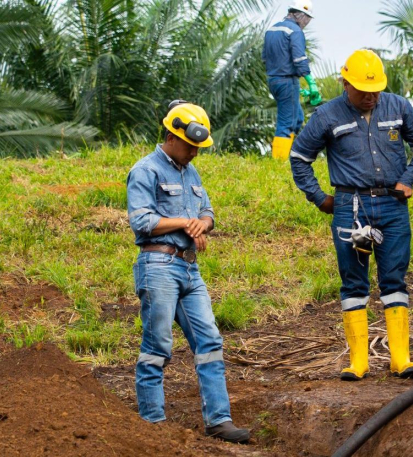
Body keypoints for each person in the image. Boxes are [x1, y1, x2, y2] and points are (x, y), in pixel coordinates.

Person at [290, 49, 413, 381]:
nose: (371, 96)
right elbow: (299, 158)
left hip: (392, 205)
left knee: (394, 280)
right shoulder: (326, 115)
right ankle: (358, 361)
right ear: (345, 83)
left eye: (376, 90)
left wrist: (409, 178)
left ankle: (400, 359)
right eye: (363, 90)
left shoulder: (398, 106)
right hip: (350, 206)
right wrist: (319, 198)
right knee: (353, 282)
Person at [126, 101, 250, 443]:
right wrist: (185, 223)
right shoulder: (145, 170)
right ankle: (153, 425)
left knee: (210, 342)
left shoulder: (191, 172)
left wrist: (201, 225)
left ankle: (219, 420)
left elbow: (207, 212)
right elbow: (141, 220)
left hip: (189, 268)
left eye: (198, 147)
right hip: (158, 266)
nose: (195, 152)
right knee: (158, 345)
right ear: (171, 137)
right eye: (190, 145)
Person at [262, 0, 319, 160]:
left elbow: (265, 58)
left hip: (274, 80)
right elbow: (299, 59)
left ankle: (289, 153)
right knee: (287, 122)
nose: (307, 23)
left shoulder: (272, 29)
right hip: (287, 80)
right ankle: (279, 160)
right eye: (307, 19)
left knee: (298, 117)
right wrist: (311, 83)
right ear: (301, 15)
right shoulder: (295, 31)